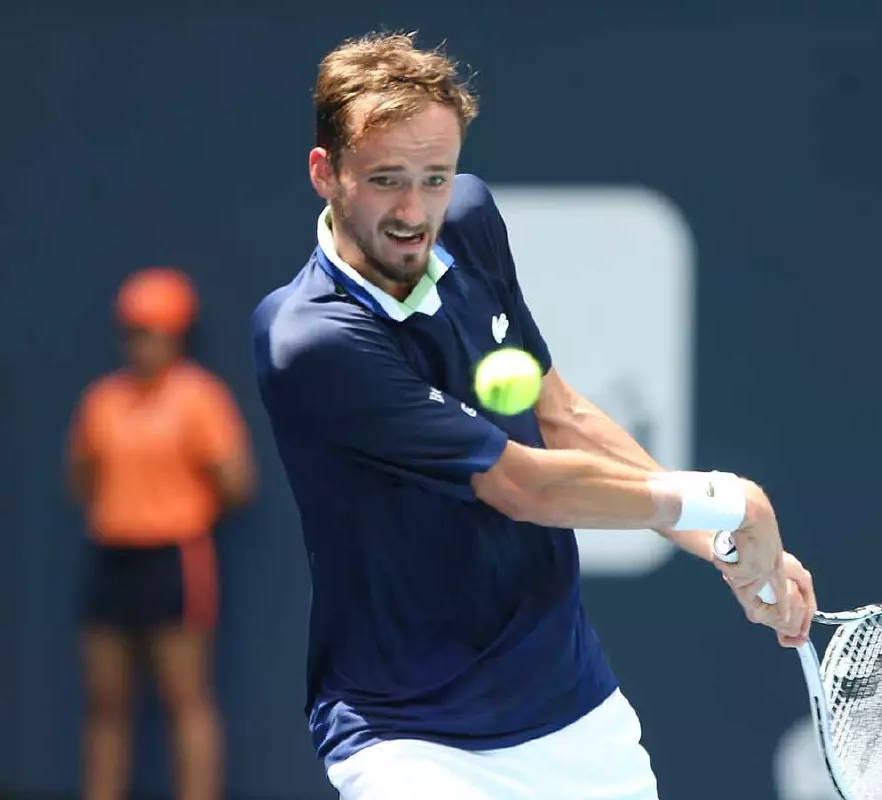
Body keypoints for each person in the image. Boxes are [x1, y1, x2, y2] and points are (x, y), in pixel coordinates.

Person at [251, 32, 817, 800]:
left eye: (435, 177)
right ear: (326, 173)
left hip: (572, 712)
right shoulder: (310, 338)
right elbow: (522, 485)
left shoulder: (471, 221)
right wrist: (731, 501)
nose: (414, 211)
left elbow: (560, 413)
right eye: (385, 179)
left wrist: (720, 543)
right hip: (409, 740)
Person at [67, 266, 256, 800]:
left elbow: (238, 483)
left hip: (174, 558)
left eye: (155, 330)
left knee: (185, 698)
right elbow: (79, 477)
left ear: (178, 335)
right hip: (111, 556)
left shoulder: (200, 399)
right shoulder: (102, 399)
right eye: (135, 330)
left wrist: (180, 496)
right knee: (106, 702)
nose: (143, 342)